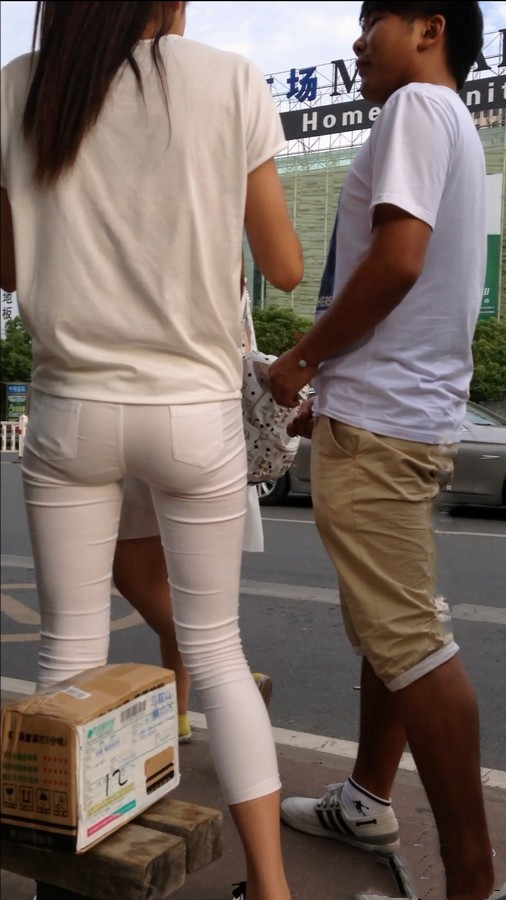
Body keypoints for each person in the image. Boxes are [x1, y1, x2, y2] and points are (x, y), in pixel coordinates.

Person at [0, 3, 303, 898]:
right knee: (217, 652)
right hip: (193, 413)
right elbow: (284, 265)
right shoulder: (229, 78)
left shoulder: (19, 85)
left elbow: (10, 269)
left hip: (70, 409)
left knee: (69, 653)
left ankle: (72, 884)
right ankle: (274, 888)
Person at [269, 3, 498, 900]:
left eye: (376, 20)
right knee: (388, 628)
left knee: (407, 639)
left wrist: (300, 361)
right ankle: (367, 799)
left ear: (430, 28)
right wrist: (329, 391)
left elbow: (398, 260)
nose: (358, 40)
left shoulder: (413, 107)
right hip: (401, 412)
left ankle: (471, 880)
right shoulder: (454, 123)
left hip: (382, 424)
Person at [113, 277, 272, 745]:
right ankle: (178, 716)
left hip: (151, 411)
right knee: (176, 586)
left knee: (134, 576)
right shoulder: (226, 260)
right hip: (216, 430)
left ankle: (228, 675)